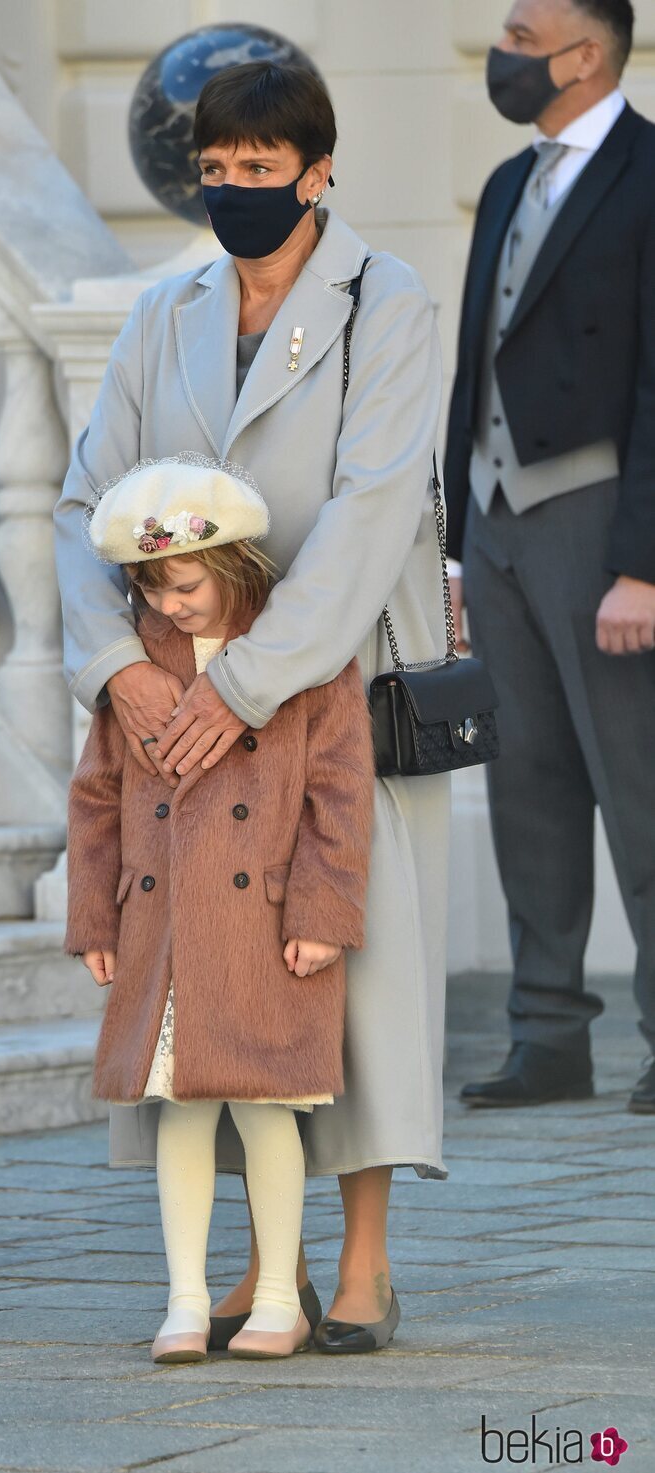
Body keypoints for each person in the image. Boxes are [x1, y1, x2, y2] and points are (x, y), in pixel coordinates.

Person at [54, 59, 451, 1353]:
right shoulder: (162, 312)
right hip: (166, 692)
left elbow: (372, 508)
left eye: (261, 171)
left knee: (351, 958)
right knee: (206, 980)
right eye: (216, 172)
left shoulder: (387, 303)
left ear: (319, 170)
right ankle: (249, 1263)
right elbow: (81, 503)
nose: (235, 192)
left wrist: (245, 682)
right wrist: (118, 668)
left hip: (333, 680)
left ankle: (365, 1260)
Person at [64, 457, 375, 1362]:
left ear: (235, 563)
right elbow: (96, 796)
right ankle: (186, 1299)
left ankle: (280, 1294)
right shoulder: (136, 670)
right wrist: (95, 916)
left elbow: (339, 794)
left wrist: (323, 912)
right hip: (162, 923)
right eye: (150, 589)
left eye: (185, 584)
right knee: (183, 1111)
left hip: (266, 926)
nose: (168, 606)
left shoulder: (304, 652)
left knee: (269, 1107)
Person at [444, 0, 655, 1112]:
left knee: (641, 785)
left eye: (522, 39)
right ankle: (546, 1039)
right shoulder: (503, 184)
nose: (504, 55)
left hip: (600, 515)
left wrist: (646, 565)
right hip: (493, 519)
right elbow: (470, 368)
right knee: (524, 782)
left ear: (584, 56)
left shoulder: (649, 173)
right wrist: (447, 546)